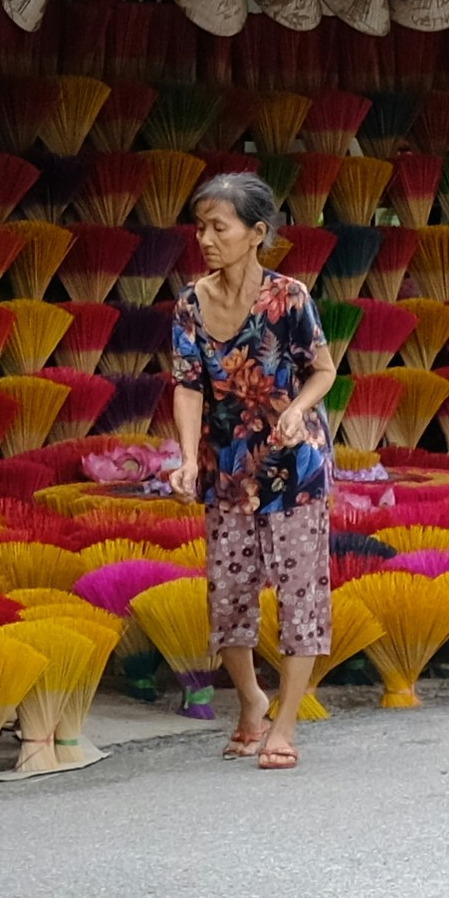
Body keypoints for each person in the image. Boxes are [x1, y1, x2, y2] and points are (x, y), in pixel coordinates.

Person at [162, 169, 338, 767]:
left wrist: (298, 411)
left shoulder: (290, 298)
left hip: (296, 471)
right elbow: (188, 387)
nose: (206, 239)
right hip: (227, 473)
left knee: (299, 599)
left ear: (256, 233)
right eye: (201, 227)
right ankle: (251, 702)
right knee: (229, 600)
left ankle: (285, 726)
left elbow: (324, 370)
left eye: (219, 227)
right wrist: (188, 460)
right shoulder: (191, 302)